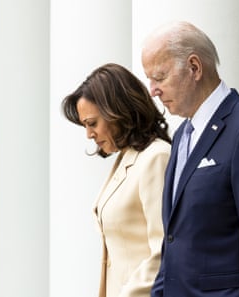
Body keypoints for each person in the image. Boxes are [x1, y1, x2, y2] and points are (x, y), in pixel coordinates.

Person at [141, 21, 239, 297]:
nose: (152, 90)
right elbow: (173, 241)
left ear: (194, 68)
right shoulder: (181, 134)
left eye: (159, 77)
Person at [62, 63, 171, 297]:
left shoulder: (156, 157)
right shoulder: (127, 158)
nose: (89, 134)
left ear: (118, 111)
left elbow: (164, 250)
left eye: (92, 123)